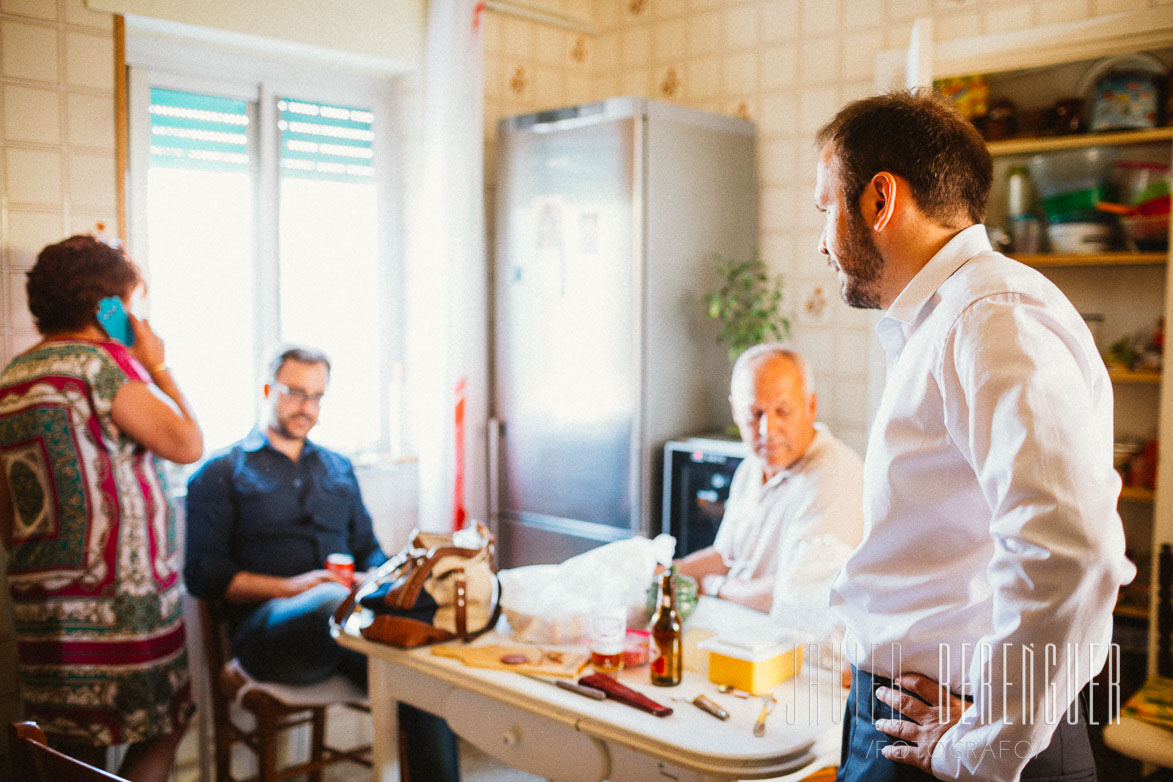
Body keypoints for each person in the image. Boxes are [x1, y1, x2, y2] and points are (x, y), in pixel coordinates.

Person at [814, 89, 1135, 782]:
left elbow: (1070, 554)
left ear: (878, 200)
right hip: (920, 716)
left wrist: (982, 743)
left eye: (823, 208)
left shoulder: (991, 318)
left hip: (960, 733)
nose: (820, 240)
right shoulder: (940, 320)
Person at [184, 346, 462, 782]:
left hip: (349, 632)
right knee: (328, 596)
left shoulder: (337, 467)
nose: (307, 407)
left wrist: (390, 575)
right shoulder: (220, 472)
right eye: (295, 393)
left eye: (317, 396)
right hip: (270, 637)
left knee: (423, 677)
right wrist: (294, 588)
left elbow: (368, 549)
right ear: (266, 389)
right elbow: (203, 576)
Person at [0, 234, 203, 782]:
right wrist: (157, 364)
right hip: (123, 603)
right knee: (164, 723)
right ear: (108, 307)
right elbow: (188, 444)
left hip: (44, 605)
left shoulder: (11, 379)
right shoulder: (104, 368)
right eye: (127, 304)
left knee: (67, 749)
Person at [674, 344, 864, 644]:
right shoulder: (753, 465)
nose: (767, 429)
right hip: (738, 636)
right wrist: (668, 573)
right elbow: (727, 555)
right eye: (754, 413)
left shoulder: (836, 475)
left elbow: (800, 595)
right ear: (735, 410)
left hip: (795, 652)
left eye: (782, 412)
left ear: (810, 406)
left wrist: (717, 587)